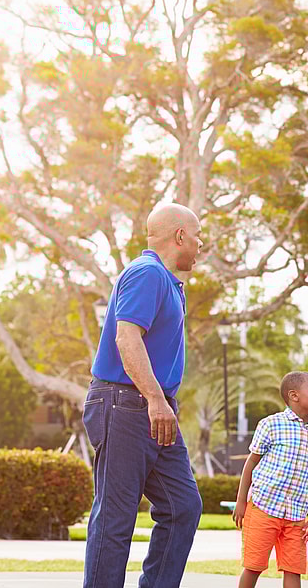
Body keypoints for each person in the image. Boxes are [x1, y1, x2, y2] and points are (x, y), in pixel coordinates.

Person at [82, 203, 204, 588]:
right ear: (180, 235)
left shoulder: (167, 281)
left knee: (182, 506)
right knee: (116, 517)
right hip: (126, 405)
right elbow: (126, 337)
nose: (201, 244)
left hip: (154, 409)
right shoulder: (146, 273)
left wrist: (159, 402)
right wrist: (154, 399)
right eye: (198, 235)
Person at [232, 371, 308, 588]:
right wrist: (241, 501)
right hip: (263, 508)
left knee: (293, 569)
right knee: (254, 566)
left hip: (296, 516)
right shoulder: (271, 424)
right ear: (294, 396)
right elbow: (251, 463)